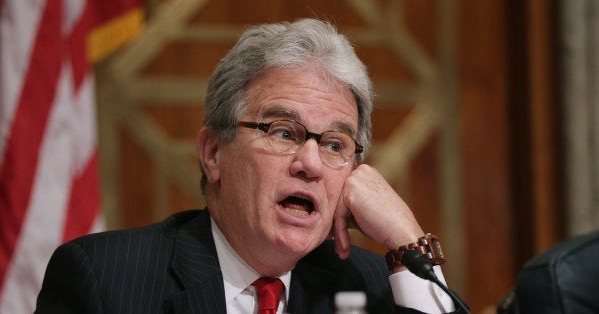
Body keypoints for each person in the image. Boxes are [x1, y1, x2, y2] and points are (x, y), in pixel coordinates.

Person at [36, 19, 459, 313]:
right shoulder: (109, 279)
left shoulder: (373, 285)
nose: (310, 163)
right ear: (213, 153)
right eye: (283, 132)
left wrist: (408, 242)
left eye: (335, 144)